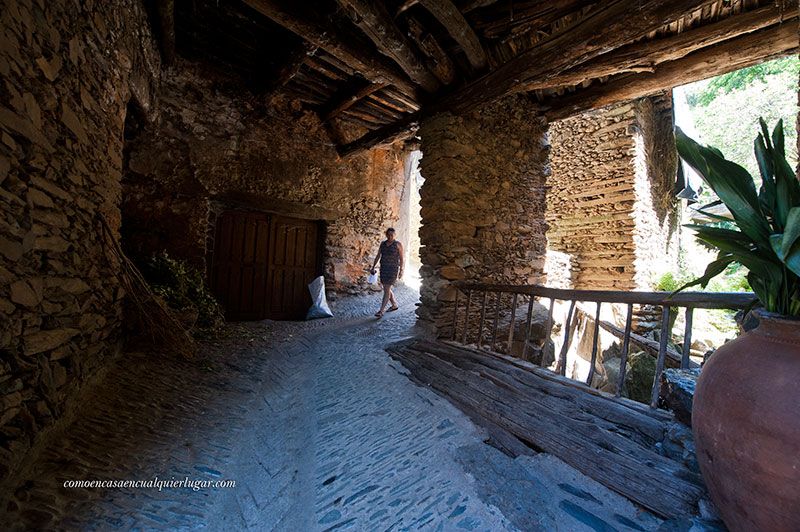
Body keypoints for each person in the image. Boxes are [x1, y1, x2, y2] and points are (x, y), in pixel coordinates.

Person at [370, 228, 404, 318]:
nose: (390, 237)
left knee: (386, 288)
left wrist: (401, 270)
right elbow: (378, 255)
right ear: (386, 235)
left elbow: (401, 259)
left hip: (393, 269)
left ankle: (381, 311)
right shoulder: (383, 244)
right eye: (388, 235)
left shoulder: (398, 244)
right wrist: (373, 266)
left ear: (395, 235)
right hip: (384, 268)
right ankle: (394, 304)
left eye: (392, 235)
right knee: (386, 287)